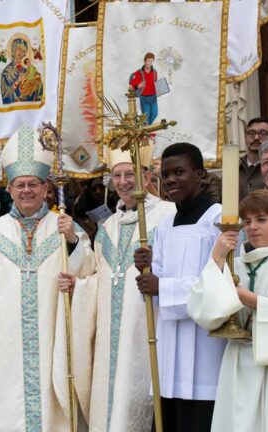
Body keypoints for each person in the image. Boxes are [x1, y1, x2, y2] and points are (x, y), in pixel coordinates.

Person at [0, 125, 96, 431]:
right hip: (5, 343)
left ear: (45, 188)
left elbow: (89, 276)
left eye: (33, 184)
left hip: (53, 339)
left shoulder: (66, 227)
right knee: (7, 407)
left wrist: (73, 244)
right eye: (19, 185)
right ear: (10, 190)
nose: (26, 190)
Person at [59, 143, 176, 431]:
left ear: (147, 177)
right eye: (117, 176)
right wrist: (80, 285)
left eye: (130, 174)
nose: (123, 183)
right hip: (110, 338)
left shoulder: (168, 215)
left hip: (148, 328)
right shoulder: (108, 226)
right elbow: (101, 277)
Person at [188, 189, 268, 431]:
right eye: (246, 221)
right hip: (238, 361)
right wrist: (217, 259)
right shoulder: (235, 263)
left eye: (261, 219)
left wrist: (247, 298)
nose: (252, 227)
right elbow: (203, 312)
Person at [133, 142, 227, 432]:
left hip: (205, 343)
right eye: (165, 174)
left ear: (200, 174)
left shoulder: (220, 220)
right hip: (170, 342)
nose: (170, 180)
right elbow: (157, 281)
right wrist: (146, 271)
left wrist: (163, 287)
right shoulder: (164, 225)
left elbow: (221, 282)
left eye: (179, 172)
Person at [239, 118, 268, 200]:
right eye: (251, 133)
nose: (256, 137)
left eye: (263, 133)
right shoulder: (233, 169)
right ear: (246, 137)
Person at [129, 52, 160, 125]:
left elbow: (154, 84)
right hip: (144, 98)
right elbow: (131, 85)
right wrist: (138, 86)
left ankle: (147, 128)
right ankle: (147, 131)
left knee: (155, 113)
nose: (150, 63)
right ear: (145, 61)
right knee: (146, 116)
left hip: (153, 97)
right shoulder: (139, 73)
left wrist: (159, 90)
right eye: (148, 61)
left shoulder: (155, 72)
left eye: (151, 61)